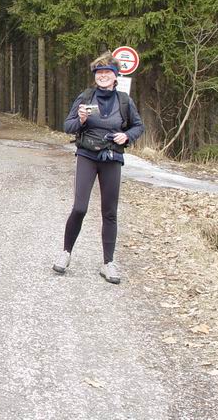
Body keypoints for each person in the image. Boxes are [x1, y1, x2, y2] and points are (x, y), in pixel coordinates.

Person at [53, 52, 144, 284]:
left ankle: (108, 263)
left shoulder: (124, 101)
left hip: (112, 157)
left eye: (107, 72)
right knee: (80, 207)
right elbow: (68, 126)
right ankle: (66, 253)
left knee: (109, 212)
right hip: (87, 155)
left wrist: (127, 136)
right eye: (99, 73)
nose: (103, 76)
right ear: (95, 76)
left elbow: (138, 126)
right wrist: (81, 120)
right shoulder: (85, 97)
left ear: (115, 76)